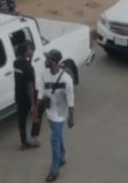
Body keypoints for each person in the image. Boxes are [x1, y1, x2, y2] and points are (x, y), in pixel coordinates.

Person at [37, 49, 75, 182]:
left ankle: (55, 169)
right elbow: (41, 92)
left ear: (54, 62)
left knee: (54, 139)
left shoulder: (66, 79)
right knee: (57, 136)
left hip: (60, 113)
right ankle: (62, 156)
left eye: (47, 58)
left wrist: (71, 117)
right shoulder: (44, 74)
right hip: (49, 111)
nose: (45, 61)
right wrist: (36, 110)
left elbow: (70, 98)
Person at [14, 42, 41, 150]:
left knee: (22, 120)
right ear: (25, 52)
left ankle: (23, 142)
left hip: (19, 95)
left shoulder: (16, 63)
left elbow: (24, 68)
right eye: (30, 50)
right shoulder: (29, 68)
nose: (32, 51)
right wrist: (33, 104)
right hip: (28, 97)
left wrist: (30, 59)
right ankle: (34, 139)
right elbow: (30, 86)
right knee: (35, 116)